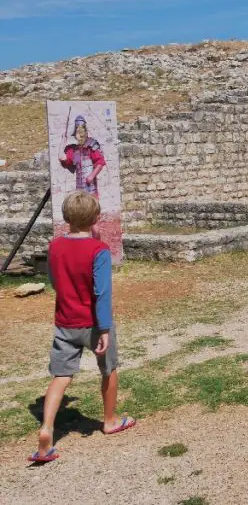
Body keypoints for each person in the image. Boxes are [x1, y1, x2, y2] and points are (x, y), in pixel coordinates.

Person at [29, 191, 136, 463]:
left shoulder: (54, 247)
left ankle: (47, 429)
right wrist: (103, 329)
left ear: (66, 217)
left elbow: (55, 280)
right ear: (96, 218)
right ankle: (110, 420)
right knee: (109, 369)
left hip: (65, 321)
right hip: (93, 323)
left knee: (61, 376)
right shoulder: (98, 251)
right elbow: (101, 292)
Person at [59, 115, 105, 198]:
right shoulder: (74, 150)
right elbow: (62, 158)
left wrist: (92, 176)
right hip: (79, 188)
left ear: (85, 132)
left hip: (91, 188)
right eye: (78, 132)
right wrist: (63, 141)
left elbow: (100, 162)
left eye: (82, 132)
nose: (80, 135)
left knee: (92, 209)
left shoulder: (91, 144)